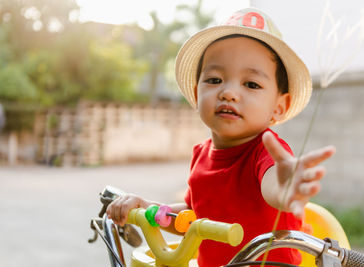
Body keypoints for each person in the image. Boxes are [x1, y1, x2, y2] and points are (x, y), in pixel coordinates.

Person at [107, 7, 336, 267]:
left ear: (279, 107)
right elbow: (191, 220)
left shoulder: (266, 151)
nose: (228, 93)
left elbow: (272, 184)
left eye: (251, 84)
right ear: (196, 94)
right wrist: (146, 207)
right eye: (215, 80)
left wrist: (285, 189)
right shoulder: (200, 155)